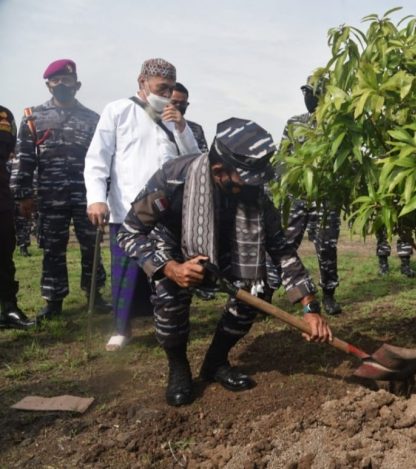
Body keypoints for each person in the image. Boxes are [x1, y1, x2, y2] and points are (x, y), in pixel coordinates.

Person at [116, 117, 332, 406]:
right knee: (170, 298)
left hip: (230, 248)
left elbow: (281, 250)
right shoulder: (172, 178)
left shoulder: (255, 195)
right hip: (172, 247)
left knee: (256, 288)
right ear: (219, 170)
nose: (254, 187)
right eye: (247, 180)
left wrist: (310, 307)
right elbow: (129, 232)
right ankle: (179, 368)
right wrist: (170, 268)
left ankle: (215, 362)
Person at [84, 58, 200, 351]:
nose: (168, 93)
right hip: (128, 208)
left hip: (167, 209)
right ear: (142, 82)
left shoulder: (177, 120)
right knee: (125, 272)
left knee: (166, 266)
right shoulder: (118, 111)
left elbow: (194, 161)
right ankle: (121, 328)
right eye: (162, 87)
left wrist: (181, 127)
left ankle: (168, 323)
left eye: (171, 88)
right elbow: (98, 157)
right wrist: (96, 198)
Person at [12, 59, 107, 321]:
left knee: (92, 246)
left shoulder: (93, 119)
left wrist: (103, 194)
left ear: (77, 84)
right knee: (53, 248)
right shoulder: (33, 117)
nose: (62, 84)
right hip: (49, 196)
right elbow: (24, 158)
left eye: (67, 80)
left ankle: (94, 295)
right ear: (48, 85)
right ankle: (53, 301)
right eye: (56, 81)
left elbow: (103, 158)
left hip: (86, 196)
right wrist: (23, 194)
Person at [267, 77, 343, 315]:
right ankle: (267, 292)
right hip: (297, 197)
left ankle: (329, 294)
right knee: (285, 245)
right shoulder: (295, 123)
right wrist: (276, 190)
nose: (307, 97)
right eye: (304, 93)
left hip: (325, 198)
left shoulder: (336, 124)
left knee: (326, 248)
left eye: (311, 93)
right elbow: (282, 158)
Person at [0, 105, 34, 329]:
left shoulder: (4, 115)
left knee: (3, 255)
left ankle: (9, 309)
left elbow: (10, 150)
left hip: (0, 197)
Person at [171, 82, 208, 152]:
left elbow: (203, 158)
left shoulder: (196, 129)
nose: (178, 106)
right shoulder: (156, 125)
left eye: (182, 103)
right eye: (174, 102)